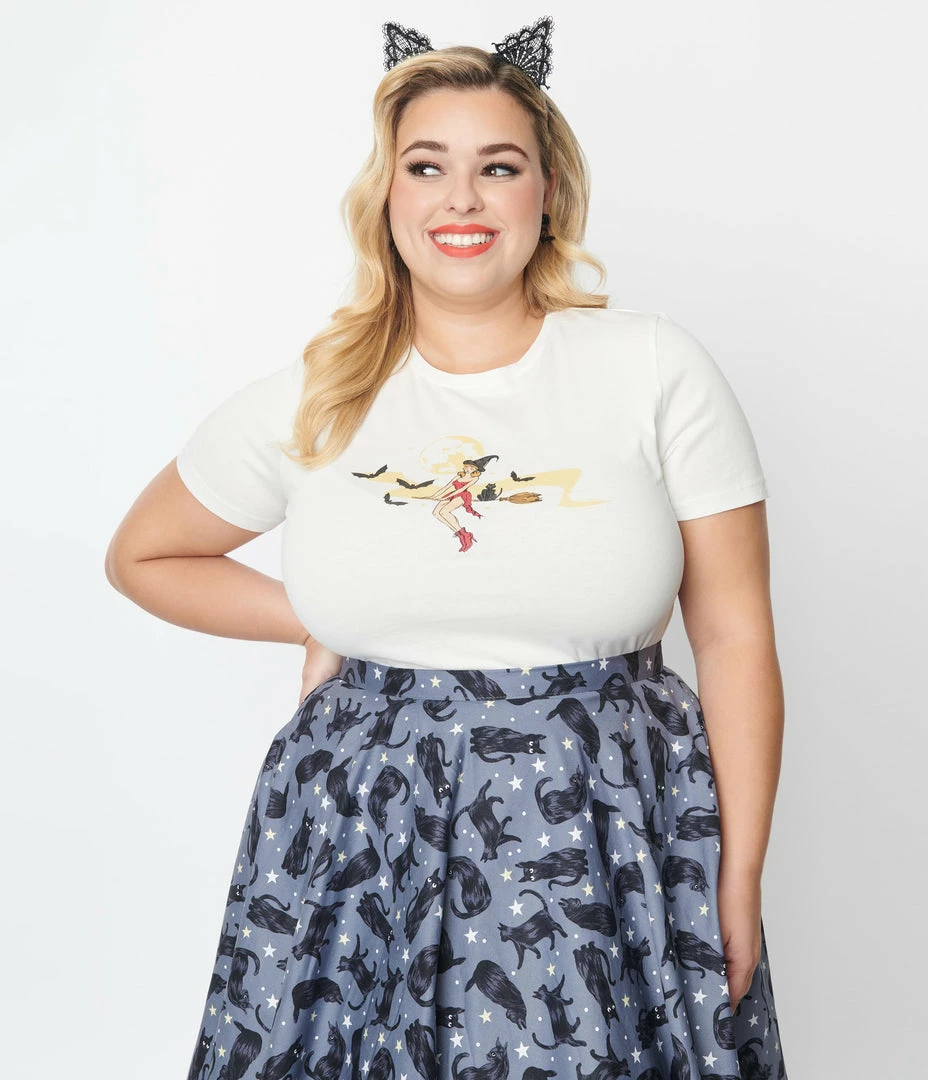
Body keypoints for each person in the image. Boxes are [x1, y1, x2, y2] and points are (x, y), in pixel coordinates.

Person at [105, 17, 788, 1080]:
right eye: (426, 167)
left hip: (606, 833)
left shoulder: (653, 369)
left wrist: (736, 876)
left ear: (547, 191)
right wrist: (317, 619)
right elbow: (144, 556)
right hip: (357, 841)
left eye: (497, 167)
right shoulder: (316, 397)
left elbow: (736, 634)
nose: (460, 199)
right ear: (386, 195)